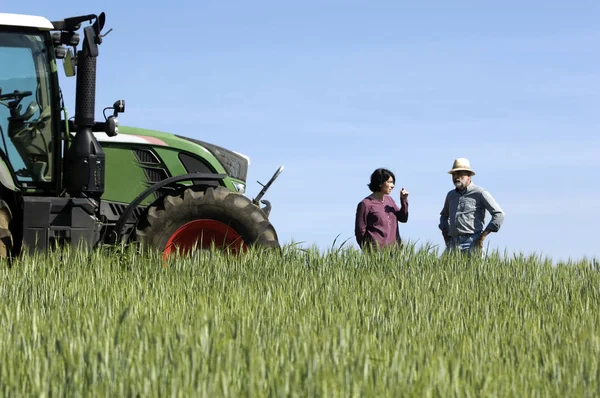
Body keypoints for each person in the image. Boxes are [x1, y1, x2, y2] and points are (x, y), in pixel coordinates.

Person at [439, 158, 504, 254]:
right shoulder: (451, 195)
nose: (456, 177)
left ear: (469, 176)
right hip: (453, 243)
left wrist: (482, 237)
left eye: (460, 174)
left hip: (472, 242)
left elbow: (499, 214)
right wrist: (445, 235)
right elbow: (444, 216)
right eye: (454, 174)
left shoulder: (480, 193)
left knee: (475, 269)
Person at [355, 168, 409, 250]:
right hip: (376, 253)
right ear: (380, 183)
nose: (393, 186)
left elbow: (403, 218)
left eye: (392, 182)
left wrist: (403, 200)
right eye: (389, 182)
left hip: (394, 251)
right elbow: (360, 231)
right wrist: (368, 250)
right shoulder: (365, 204)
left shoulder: (390, 200)